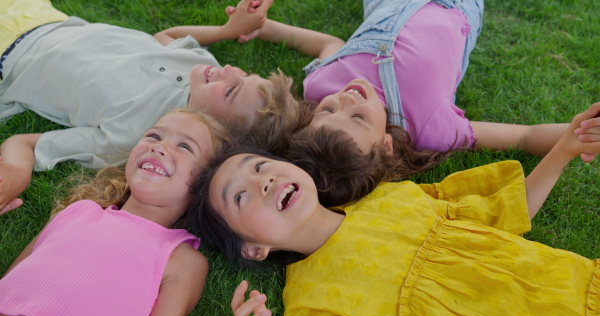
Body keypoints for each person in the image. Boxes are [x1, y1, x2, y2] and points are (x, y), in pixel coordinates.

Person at [188, 103, 600, 316]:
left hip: (574, 287)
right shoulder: (310, 305)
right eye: (240, 195)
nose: (264, 181)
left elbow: (503, 212)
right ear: (254, 249)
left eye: (260, 166)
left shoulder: (388, 196)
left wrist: (562, 150)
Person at [0, 0, 302, 215]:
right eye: (245, 74)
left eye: (232, 89)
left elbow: (26, 143)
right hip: (41, 17)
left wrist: (16, 173)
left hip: (10, 60)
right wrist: (227, 29)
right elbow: (166, 39)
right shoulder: (205, 66)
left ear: (218, 127)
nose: (230, 69)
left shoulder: (138, 138)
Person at [227, 0, 598, 165]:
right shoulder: (433, 129)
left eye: (328, 110)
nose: (347, 99)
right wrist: (578, 133)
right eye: (358, 118)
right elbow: (523, 137)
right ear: (387, 144)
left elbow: (331, 45)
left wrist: (266, 28)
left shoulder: (321, 86)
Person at [0, 107, 232, 316]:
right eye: (154, 135)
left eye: (185, 146)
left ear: (204, 185)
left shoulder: (181, 260)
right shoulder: (77, 211)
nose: (158, 146)